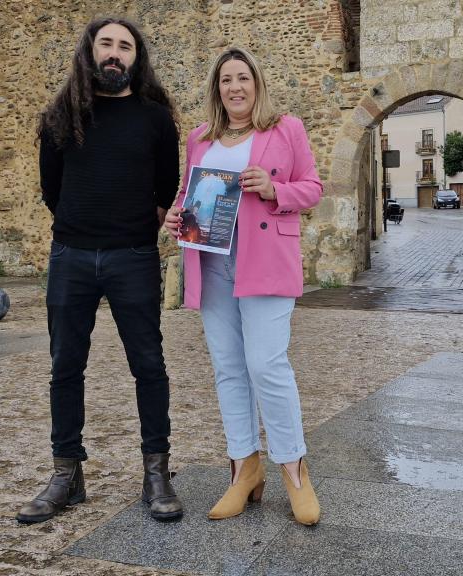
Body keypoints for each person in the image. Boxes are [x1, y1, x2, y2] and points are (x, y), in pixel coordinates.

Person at [17, 17, 183, 524]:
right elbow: (52, 189)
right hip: (71, 257)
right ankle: (66, 473)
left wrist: (131, 227)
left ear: (137, 56)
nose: (115, 54)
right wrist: (81, 224)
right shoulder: (60, 115)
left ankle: (156, 472)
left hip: (132, 257)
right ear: (89, 52)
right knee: (65, 366)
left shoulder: (155, 118)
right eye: (106, 44)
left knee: (149, 366)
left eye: (125, 46)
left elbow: (166, 187)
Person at [163, 47, 322, 525]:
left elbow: (312, 187)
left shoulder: (285, 129)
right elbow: (188, 194)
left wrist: (276, 190)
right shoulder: (199, 138)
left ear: (257, 83)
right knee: (229, 368)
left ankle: (294, 471)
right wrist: (174, 215)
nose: (235, 87)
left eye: (243, 78)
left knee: (267, 364)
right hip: (211, 262)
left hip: (266, 260)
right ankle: (243, 470)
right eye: (226, 80)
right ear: (217, 89)